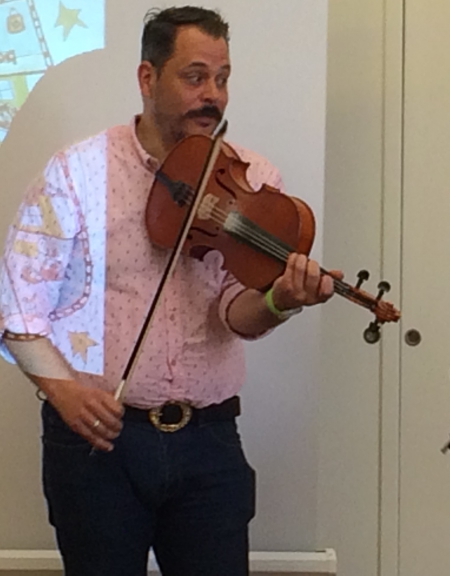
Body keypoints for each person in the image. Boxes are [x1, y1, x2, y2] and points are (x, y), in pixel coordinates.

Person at [0, 6, 338, 576]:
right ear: (148, 77)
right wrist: (66, 393)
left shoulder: (252, 178)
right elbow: (16, 312)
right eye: (195, 76)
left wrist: (280, 301)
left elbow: (236, 313)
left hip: (210, 440)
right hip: (100, 446)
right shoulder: (75, 173)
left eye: (222, 78)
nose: (213, 95)